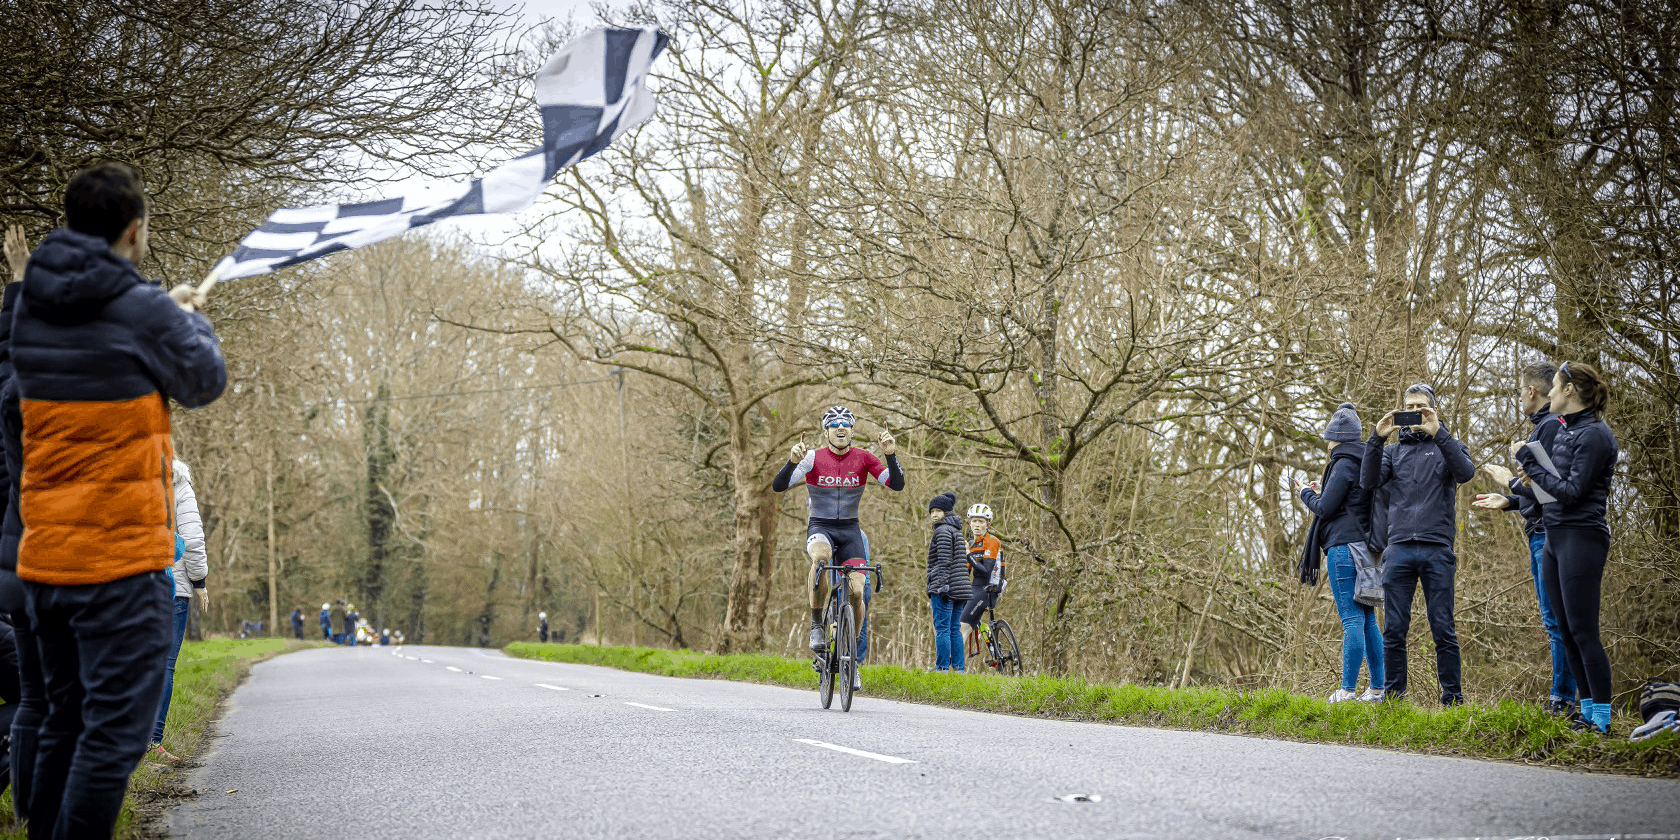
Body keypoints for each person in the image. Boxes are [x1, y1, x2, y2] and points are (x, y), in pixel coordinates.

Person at [12, 161, 225, 838]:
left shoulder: (28, 306)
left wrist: (167, 312)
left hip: (45, 559)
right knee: (114, 739)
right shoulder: (142, 309)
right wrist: (191, 321)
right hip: (119, 562)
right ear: (135, 232)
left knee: (62, 723)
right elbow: (202, 380)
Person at [1485, 361, 1618, 734]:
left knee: (1583, 629)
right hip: (1555, 537)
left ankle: (1603, 721)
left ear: (1569, 390)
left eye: (1556, 387)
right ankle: (1587, 713)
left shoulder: (1595, 435)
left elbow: (1572, 492)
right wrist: (1519, 488)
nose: (1552, 394)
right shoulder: (1565, 433)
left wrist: (1525, 461)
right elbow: (1547, 492)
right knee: (1564, 626)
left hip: (1582, 536)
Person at [772, 405, 904, 693]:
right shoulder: (812, 458)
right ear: (826, 431)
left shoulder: (865, 458)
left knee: (857, 592)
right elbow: (779, 486)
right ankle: (817, 624)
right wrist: (791, 462)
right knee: (821, 558)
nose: (841, 428)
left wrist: (891, 455)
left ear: (853, 430)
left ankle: (852, 661)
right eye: (834, 425)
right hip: (820, 527)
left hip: (850, 531)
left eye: (846, 424)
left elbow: (897, 484)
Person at [1361, 382, 1475, 706]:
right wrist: (1377, 438)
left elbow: (1465, 472)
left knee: (1443, 628)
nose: (1413, 413)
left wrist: (1439, 432)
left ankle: (1452, 700)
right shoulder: (1393, 451)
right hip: (1397, 549)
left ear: (1433, 409)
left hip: (1437, 548)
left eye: (1420, 407)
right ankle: (1395, 700)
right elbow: (1368, 481)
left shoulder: (1449, 445)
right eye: (1408, 407)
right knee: (1394, 630)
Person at [1471, 361, 1575, 714]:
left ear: (1532, 391)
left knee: (1555, 619)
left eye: (1519, 390)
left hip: (1547, 534)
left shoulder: (1547, 427)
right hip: (1544, 529)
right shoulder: (1546, 426)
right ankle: (1565, 697)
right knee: (1556, 618)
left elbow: (1549, 491)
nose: (1519, 397)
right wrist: (1510, 502)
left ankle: (1562, 699)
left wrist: (1508, 480)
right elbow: (1540, 492)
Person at [0, 224, 47, 825]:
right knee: (57, 701)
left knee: (34, 700)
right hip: (44, 554)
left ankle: (32, 819)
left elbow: (10, 349)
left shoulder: (7, 385)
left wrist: (16, 283)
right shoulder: (30, 395)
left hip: (10, 562)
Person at [1297, 403, 1383, 702]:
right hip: (1367, 548)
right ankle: (1377, 689)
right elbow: (1348, 500)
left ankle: (1346, 690)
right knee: (1368, 617)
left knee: (1351, 618)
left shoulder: (1343, 462)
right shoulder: (1367, 460)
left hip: (1343, 547)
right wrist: (1323, 490)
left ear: (1336, 439)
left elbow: (1325, 508)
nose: (1328, 445)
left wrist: (1305, 493)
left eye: (1329, 440)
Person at [149, 457, 209, 762]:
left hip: (125, 586)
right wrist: (199, 581)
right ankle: (151, 743)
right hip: (171, 586)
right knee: (163, 666)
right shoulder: (178, 481)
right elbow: (193, 539)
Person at [925, 492, 967, 672]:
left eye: (938, 510)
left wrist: (941, 585)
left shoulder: (942, 531)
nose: (934, 514)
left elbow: (944, 561)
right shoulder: (956, 530)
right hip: (961, 587)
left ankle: (942, 667)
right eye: (932, 511)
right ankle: (958, 668)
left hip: (945, 587)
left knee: (942, 627)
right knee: (954, 628)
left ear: (946, 512)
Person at [958, 503, 1003, 659]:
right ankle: (995, 652)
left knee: (961, 627)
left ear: (987, 523)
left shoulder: (992, 541)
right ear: (970, 523)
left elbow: (985, 571)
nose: (977, 525)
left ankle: (952, 667)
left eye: (981, 521)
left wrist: (968, 554)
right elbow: (966, 572)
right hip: (976, 586)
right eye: (974, 521)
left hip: (989, 587)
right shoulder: (972, 543)